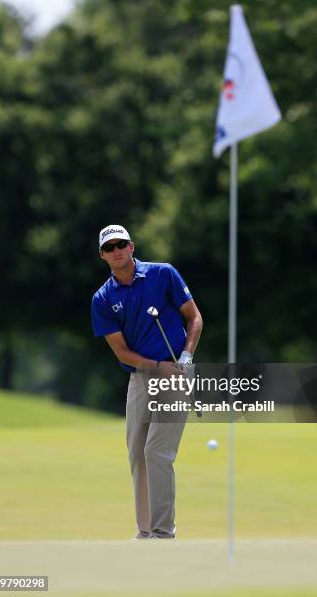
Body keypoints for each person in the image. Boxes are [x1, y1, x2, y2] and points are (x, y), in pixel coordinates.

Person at [91, 224, 203, 539]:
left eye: (121, 244)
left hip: (177, 372)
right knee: (136, 453)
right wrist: (155, 366)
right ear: (103, 255)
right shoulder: (102, 298)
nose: (116, 251)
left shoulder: (163, 274)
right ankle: (145, 530)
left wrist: (185, 357)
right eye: (110, 247)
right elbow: (122, 352)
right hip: (142, 376)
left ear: (132, 246)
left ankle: (163, 532)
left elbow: (194, 317)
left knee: (156, 451)